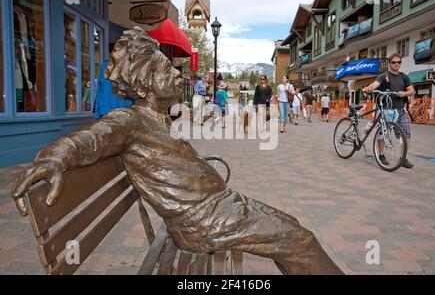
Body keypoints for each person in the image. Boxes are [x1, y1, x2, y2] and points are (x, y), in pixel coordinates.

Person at [12, 27, 342, 275]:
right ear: (144, 82)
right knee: (299, 239)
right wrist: (56, 158)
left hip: (215, 208)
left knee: (292, 229)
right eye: (165, 70)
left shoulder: (154, 119)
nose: (175, 73)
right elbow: (91, 139)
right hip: (202, 221)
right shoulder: (129, 121)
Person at [362, 53, 416, 169]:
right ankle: (381, 155)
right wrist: (368, 88)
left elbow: (412, 91)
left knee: (406, 134)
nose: (396, 64)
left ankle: (403, 157)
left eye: (398, 62)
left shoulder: (403, 77)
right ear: (389, 63)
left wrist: (404, 93)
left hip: (400, 109)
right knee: (382, 134)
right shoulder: (384, 76)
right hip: (386, 109)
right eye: (394, 62)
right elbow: (375, 84)